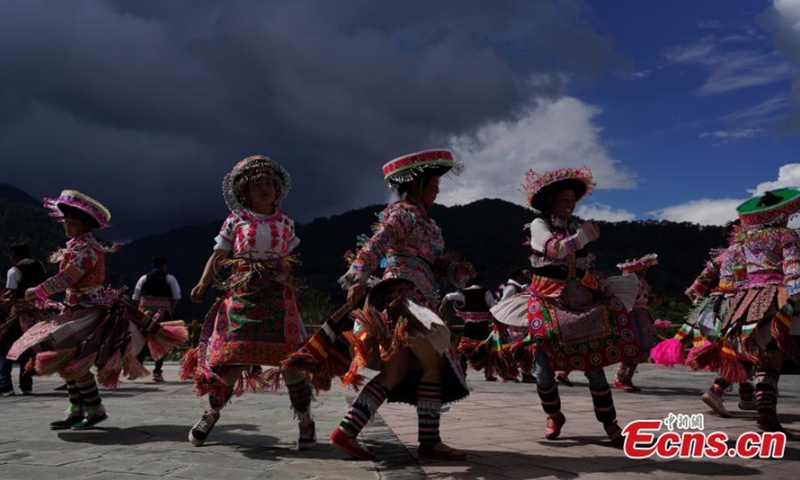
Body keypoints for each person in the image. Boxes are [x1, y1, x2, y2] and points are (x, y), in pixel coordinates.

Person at [330, 149, 473, 461]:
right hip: (403, 297)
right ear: (417, 185)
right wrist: (357, 276)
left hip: (418, 297)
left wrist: (453, 271)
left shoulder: (427, 223)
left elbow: (433, 263)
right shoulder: (403, 214)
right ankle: (430, 441)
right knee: (433, 362)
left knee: (394, 372)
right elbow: (377, 244)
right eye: (433, 183)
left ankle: (346, 431)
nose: (438, 189)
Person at [6, 190, 186, 430]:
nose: (67, 225)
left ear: (86, 224)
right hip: (73, 310)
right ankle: (76, 409)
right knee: (64, 357)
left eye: (73, 221)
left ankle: (94, 409)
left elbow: (69, 277)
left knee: (74, 359)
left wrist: (38, 291)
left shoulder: (88, 250)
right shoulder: (77, 247)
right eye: (66, 220)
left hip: (89, 312)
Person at [491, 166, 640, 446]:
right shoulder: (539, 225)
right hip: (547, 301)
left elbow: (579, 265)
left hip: (580, 302)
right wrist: (583, 236)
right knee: (544, 368)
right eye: (564, 199)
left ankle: (610, 422)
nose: (570, 204)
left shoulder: (575, 227)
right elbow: (554, 250)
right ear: (551, 201)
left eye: (573, 199)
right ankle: (553, 415)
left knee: (594, 365)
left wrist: (591, 279)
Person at [180, 155, 315, 449]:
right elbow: (218, 256)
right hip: (242, 293)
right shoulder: (236, 220)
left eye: (269, 184)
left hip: (278, 296)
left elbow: (287, 262)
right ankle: (211, 413)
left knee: (291, 363)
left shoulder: (286, 223)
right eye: (257, 185)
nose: (264, 189)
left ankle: (305, 419)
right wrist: (203, 282)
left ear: (277, 189)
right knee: (232, 361)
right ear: (246, 192)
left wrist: (288, 279)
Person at [690, 189, 800, 437]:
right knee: (772, 357)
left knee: (754, 353)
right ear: (781, 214)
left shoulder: (744, 241)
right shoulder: (786, 235)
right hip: (774, 297)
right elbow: (793, 266)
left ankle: (755, 406)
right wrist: (796, 290)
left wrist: (697, 289)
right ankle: (766, 413)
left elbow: (720, 268)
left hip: (745, 300)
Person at [0, 244, 47, 395]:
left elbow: (14, 297)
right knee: (28, 350)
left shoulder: (14, 271)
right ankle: (26, 385)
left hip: (19, 315)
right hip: (37, 312)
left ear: (13, 254)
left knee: (5, 349)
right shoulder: (39, 266)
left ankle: (5, 385)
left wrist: (7, 300)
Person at [613, 254, 659, 392]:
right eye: (643, 269)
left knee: (640, 347)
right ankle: (620, 378)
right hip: (632, 316)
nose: (645, 271)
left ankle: (627, 378)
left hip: (640, 316)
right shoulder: (632, 282)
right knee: (632, 346)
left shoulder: (640, 282)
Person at [132, 256, 181, 382]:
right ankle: (157, 373)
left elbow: (135, 297)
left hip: (144, 314)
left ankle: (137, 369)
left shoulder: (144, 278)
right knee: (160, 342)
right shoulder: (170, 278)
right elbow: (176, 296)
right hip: (162, 314)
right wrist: (170, 308)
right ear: (164, 265)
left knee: (141, 339)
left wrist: (142, 307)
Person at [441, 276, 497, 381]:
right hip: (482, 325)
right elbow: (493, 306)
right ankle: (488, 374)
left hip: (469, 326)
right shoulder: (486, 292)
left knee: (465, 348)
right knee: (486, 347)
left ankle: (462, 372)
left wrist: (442, 306)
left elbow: (448, 296)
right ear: (480, 283)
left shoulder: (463, 293)